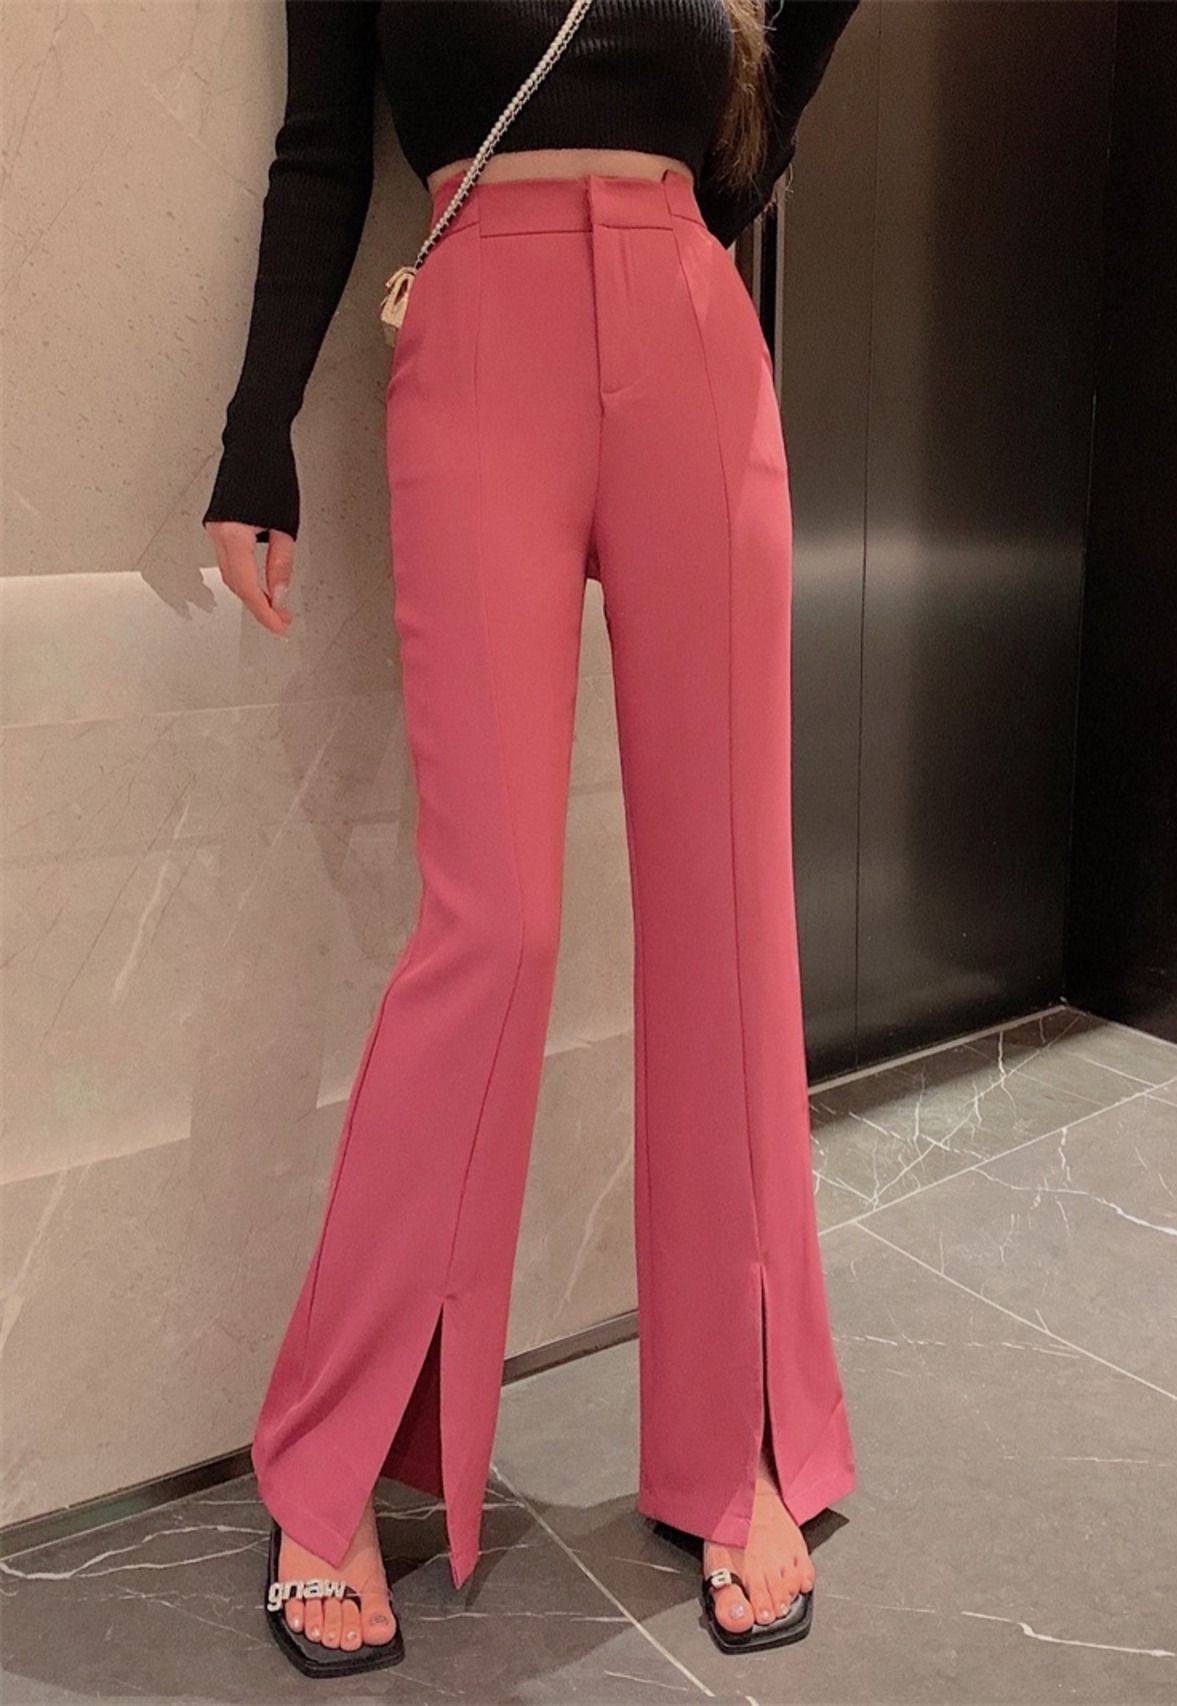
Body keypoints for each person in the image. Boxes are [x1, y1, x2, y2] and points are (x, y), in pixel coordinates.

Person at [202, 0, 860, 1679]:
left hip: (690, 325)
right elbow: (323, 149)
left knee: (726, 909)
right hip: (480, 322)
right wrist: (256, 426)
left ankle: (741, 1441)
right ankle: (333, 1457)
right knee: (495, 920)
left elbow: (753, 131)